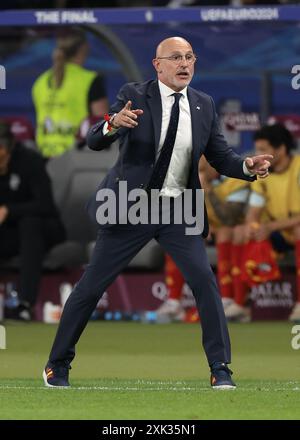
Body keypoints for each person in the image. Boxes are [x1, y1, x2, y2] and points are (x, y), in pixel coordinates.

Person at [43, 37, 272, 389]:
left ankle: (220, 368)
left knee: (204, 283)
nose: (185, 64)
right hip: (130, 206)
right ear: (158, 64)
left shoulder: (204, 104)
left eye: (190, 57)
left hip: (179, 208)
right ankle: (56, 365)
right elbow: (94, 139)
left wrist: (247, 166)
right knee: (91, 287)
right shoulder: (133, 94)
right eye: (176, 58)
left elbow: (221, 157)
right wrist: (113, 123)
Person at [156, 156, 251, 323]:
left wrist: (207, 189)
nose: (197, 170)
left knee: (226, 232)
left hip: (233, 230)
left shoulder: (234, 179)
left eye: (202, 166)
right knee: (176, 233)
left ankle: (228, 299)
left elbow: (230, 218)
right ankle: (174, 302)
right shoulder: (186, 177)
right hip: (208, 228)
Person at [225, 124, 300, 322]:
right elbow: (254, 212)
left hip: (292, 229)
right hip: (278, 235)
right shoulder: (262, 173)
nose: (258, 155)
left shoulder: (299, 168)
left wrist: (270, 227)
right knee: (241, 231)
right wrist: (253, 227)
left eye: (263, 150)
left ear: (281, 149)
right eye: (257, 149)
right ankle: (241, 305)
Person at [0, 120, 66, 320]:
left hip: (44, 229)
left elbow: (45, 205)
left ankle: (25, 304)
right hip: (9, 234)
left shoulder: (30, 162)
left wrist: (9, 210)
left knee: (30, 224)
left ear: (9, 147)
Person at [32, 28, 109, 159]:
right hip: (76, 158)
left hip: (43, 155)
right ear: (84, 48)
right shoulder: (90, 80)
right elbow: (103, 124)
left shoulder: (40, 81)